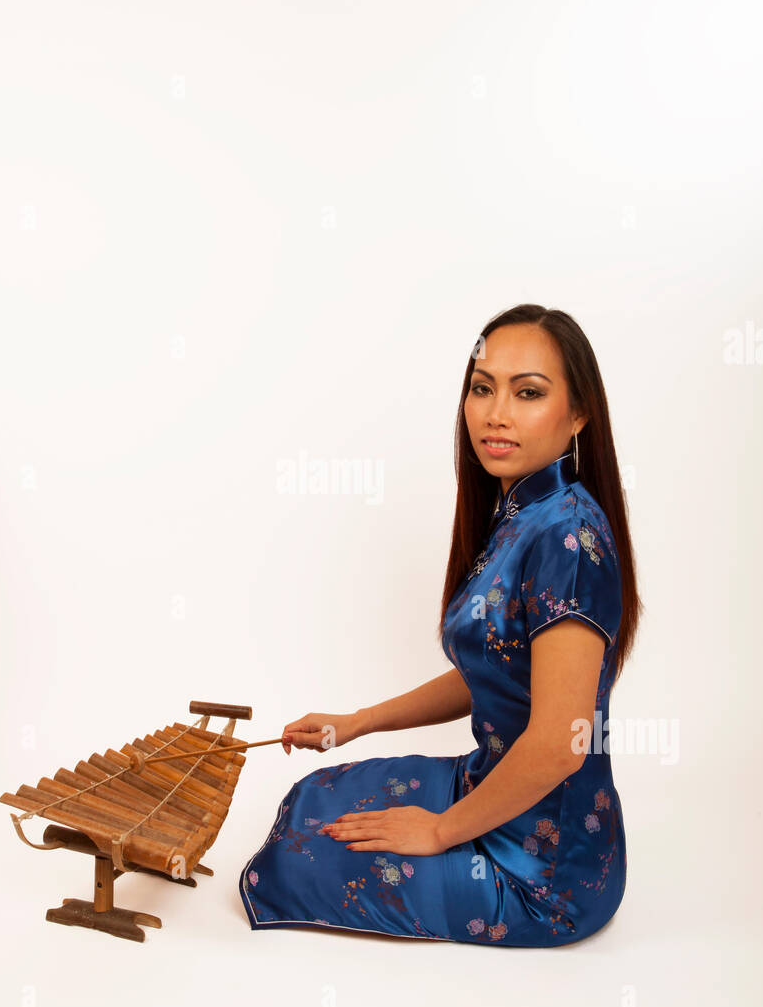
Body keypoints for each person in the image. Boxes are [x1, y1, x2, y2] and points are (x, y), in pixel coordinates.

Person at [238, 304, 642, 946]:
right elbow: (493, 671)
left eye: (528, 392)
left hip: (546, 869)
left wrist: (438, 830)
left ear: (579, 414)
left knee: (290, 863)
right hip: (491, 783)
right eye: (482, 389)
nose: (495, 413)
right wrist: (356, 722)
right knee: (315, 793)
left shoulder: (567, 536)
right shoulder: (522, 511)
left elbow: (562, 742)